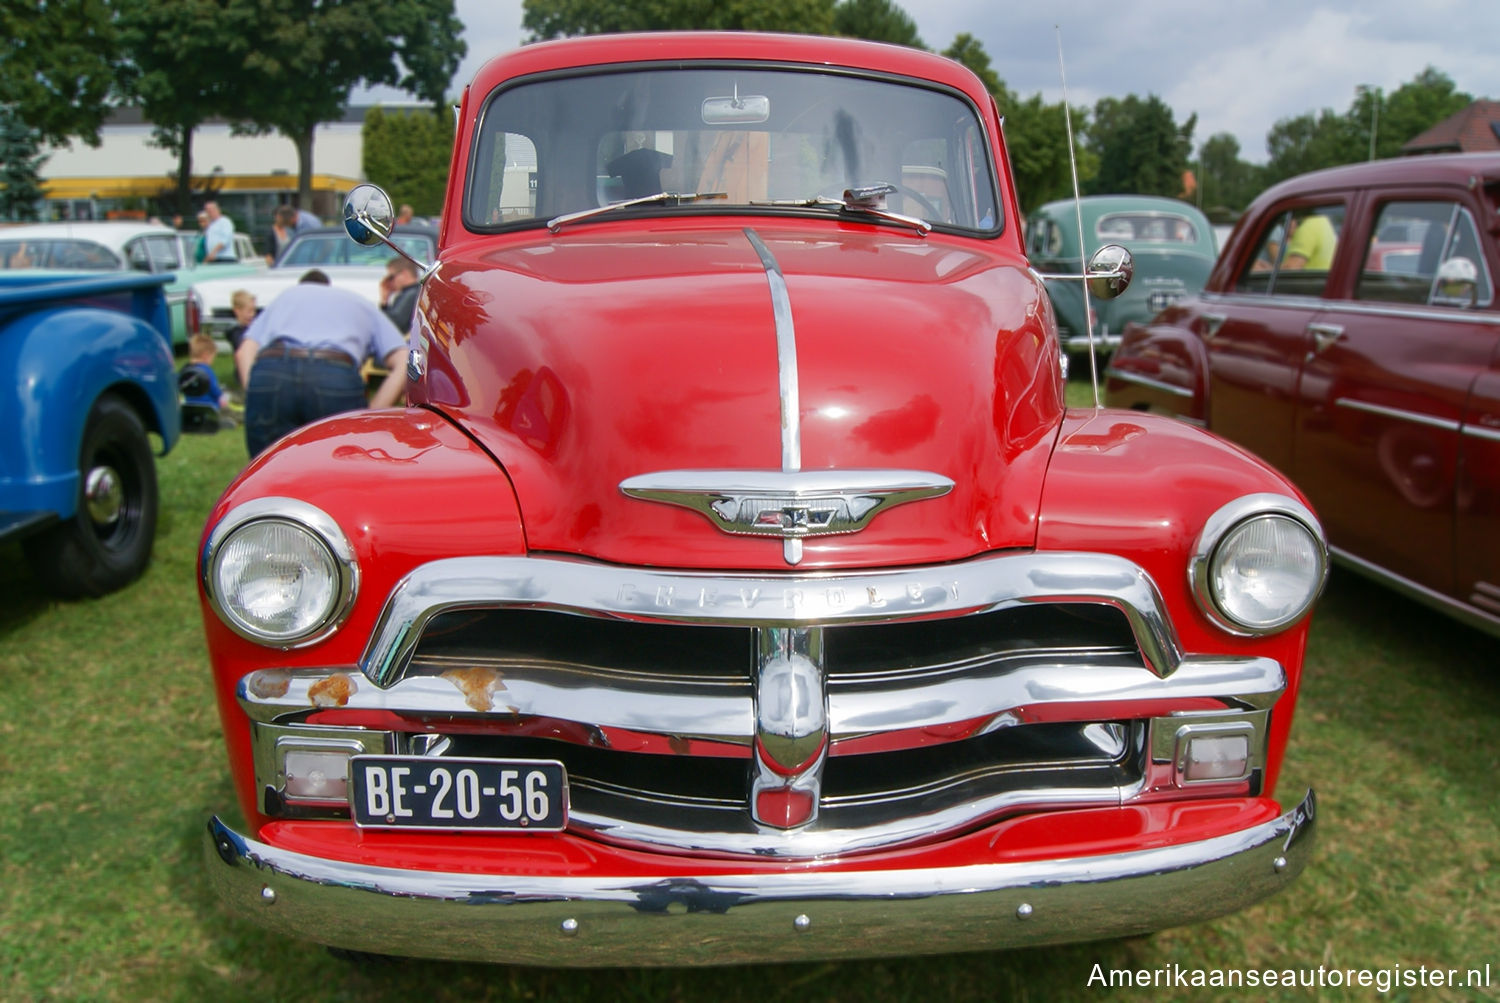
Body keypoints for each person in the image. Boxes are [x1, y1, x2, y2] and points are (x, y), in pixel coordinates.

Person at [235, 269, 409, 457]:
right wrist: (369, 416)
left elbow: (244, 351)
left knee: (267, 469)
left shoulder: (286, 297)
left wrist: (254, 392)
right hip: (333, 375)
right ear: (328, 286)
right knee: (338, 471)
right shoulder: (358, 302)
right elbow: (404, 359)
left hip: (272, 371)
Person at [182, 335, 231, 411]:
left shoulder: (186, 370)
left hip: (190, 406)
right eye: (212, 357)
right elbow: (214, 389)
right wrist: (221, 396)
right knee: (226, 397)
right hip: (209, 407)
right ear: (206, 356)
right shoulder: (206, 371)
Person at [380, 256, 421, 334]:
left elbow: (394, 325)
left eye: (391, 277)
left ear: (404, 274)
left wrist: (384, 300)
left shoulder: (411, 294)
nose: (389, 282)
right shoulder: (416, 292)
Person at [225, 289, 257, 355]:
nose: (252, 314)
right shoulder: (236, 333)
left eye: (254, 310)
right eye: (249, 311)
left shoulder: (254, 328)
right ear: (237, 311)